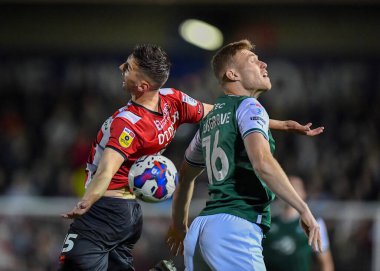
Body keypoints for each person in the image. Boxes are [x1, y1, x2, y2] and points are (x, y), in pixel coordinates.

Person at [58, 43, 322, 271]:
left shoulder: (136, 123)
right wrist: (284, 127)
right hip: (219, 223)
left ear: (143, 84)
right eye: (253, 59)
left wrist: (88, 200)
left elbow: (115, 171)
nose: (120, 68)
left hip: (181, 225)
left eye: (128, 66)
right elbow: (242, 132)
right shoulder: (176, 101)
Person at [166, 39, 323, 271]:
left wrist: (179, 225)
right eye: (253, 60)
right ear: (232, 74)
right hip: (235, 228)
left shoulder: (209, 122)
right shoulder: (250, 106)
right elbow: (262, 163)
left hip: (200, 231)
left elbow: (185, 174)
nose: (263, 64)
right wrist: (303, 208)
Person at [263, 175, 334, 271]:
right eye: (286, 187)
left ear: (303, 193)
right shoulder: (267, 222)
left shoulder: (314, 224)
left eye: (294, 188)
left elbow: (326, 262)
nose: (290, 193)